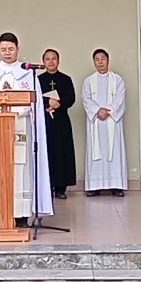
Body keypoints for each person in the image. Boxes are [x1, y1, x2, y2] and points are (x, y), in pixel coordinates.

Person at [0, 32, 53, 225]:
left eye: (11, 49)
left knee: (21, 170)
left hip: (20, 128)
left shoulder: (27, 73)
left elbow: (34, 103)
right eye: (3, 49)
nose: (7, 52)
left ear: (18, 49)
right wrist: (1, 107)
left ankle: (21, 215)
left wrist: (15, 109)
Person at [81, 49, 127, 196]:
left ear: (108, 60)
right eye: (97, 59)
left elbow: (120, 99)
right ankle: (94, 187)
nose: (100, 62)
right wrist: (97, 111)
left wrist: (108, 111)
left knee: (114, 152)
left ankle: (116, 186)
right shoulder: (88, 81)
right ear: (94, 62)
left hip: (112, 120)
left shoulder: (118, 80)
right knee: (96, 152)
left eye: (103, 59)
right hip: (96, 122)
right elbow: (86, 99)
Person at [39, 49, 77, 200]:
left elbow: (71, 98)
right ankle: (46, 187)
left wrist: (58, 104)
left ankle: (61, 188)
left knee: (62, 153)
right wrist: (47, 102)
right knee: (46, 152)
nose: (51, 61)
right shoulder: (38, 80)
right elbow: (34, 98)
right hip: (45, 121)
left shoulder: (66, 79)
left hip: (61, 121)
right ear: (43, 62)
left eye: (53, 58)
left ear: (58, 61)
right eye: (47, 59)